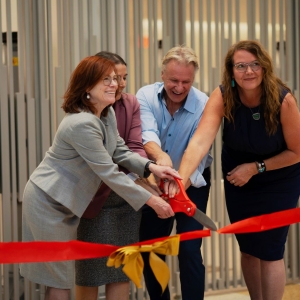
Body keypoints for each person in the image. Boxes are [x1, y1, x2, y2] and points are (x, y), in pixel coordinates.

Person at [19, 55, 181, 300]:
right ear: (86, 88)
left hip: (67, 202)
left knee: (62, 274)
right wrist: (152, 200)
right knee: (59, 277)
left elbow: (119, 150)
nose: (114, 84)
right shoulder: (81, 123)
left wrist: (151, 167)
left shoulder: (105, 114)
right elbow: (108, 172)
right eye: (105, 80)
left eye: (115, 79)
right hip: (47, 202)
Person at [172, 40, 300, 300]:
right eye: (241, 66)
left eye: (255, 65)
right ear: (231, 71)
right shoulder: (223, 95)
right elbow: (200, 141)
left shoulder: (283, 99)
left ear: (264, 68)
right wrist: (180, 181)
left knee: (271, 249)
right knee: (249, 247)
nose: (249, 71)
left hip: (279, 178)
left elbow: (297, 152)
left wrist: (256, 168)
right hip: (239, 181)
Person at [75, 51, 160, 300]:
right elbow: (102, 163)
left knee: (121, 270)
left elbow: (131, 147)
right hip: (94, 197)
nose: (119, 84)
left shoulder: (129, 104)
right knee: (89, 270)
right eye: (112, 78)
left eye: (123, 78)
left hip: (125, 197)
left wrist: (147, 174)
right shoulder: (84, 114)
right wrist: (148, 195)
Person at [136, 45, 213, 300]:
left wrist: (180, 182)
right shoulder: (145, 96)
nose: (179, 87)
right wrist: (162, 162)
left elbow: (198, 150)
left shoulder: (204, 103)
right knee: (151, 249)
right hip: (154, 181)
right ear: (162, 75)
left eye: (186, 82)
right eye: (173, 80)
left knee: (189, 250)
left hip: (194, 181)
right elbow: (146, 136)